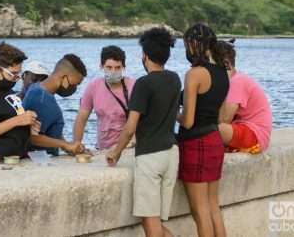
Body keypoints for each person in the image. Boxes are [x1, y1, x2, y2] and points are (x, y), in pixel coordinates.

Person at [106, 28, 181, 237]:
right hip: (171, 153)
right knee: (155, 223)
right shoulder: (175, 79)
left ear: (145, 56)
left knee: (151, 226)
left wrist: (116, 151)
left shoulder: (143, 84)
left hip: (150, 156)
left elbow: (130, 127)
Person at [176, 24, 229, 237]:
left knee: (200, 212)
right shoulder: (223, 72)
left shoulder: (195, 74)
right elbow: (222, 116)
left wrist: (172, 113)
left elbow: (187, 121)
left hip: (195, 144)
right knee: (213, 207)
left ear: (195, 44)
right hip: (215, 140)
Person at [22, 54, 87, 156]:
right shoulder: (40, 97)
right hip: (40, 160)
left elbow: (50, 130)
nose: (75, 88)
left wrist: (70, 146)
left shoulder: (43, 92)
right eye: (75, 84)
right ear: (64, 78)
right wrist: (65, 145)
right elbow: (33, 137)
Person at [73, 45, 135, 150]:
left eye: (118, 67)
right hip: (102, 149)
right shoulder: (93, 86)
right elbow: (81, 118)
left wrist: (132, 143)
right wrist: (76, 144)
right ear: (101, 66)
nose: (113, 71)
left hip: (129, 148)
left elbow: (142, 120)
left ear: (124, 67)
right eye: (109, 67)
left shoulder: (133, 86)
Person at [218, 39, 272, 154]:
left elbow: (224, 119)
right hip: (250, 132)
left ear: (226, 64)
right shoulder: (233, 80)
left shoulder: (236, 82)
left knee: (212, 129)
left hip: (255, 135)